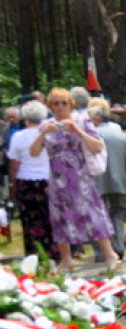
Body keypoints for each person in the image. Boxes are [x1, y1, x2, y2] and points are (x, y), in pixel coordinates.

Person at [28, 88, 120, 271]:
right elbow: (34, 152)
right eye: (56, 103)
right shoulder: (45, 125)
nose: (61, 106)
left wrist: (77, 130)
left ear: (71, 104)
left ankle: (110, 254)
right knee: (60, 217)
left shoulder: (82, 120)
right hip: (57, 179)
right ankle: (66, 259)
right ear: (50, 106)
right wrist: (42, 133)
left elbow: (97, 147)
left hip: (80, 177)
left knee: (93, 214)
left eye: (64, 103)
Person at [7, 101, 58, 260]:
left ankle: (33, 254)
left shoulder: (18, 136)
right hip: (47, 180)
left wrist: (13, 185)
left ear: (25, 118)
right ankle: (52, 253)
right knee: (49, 219)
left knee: (29, 220)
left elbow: (14, 164)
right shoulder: (50, 135)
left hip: (25, 181)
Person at [89, 102, 126, 261]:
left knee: (98, 217)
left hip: (97, 182)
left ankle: (101, 252)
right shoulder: (120, 135)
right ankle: (119, 247)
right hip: (119, 181)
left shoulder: (91, 135)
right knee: (118, 214)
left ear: (96, 119)